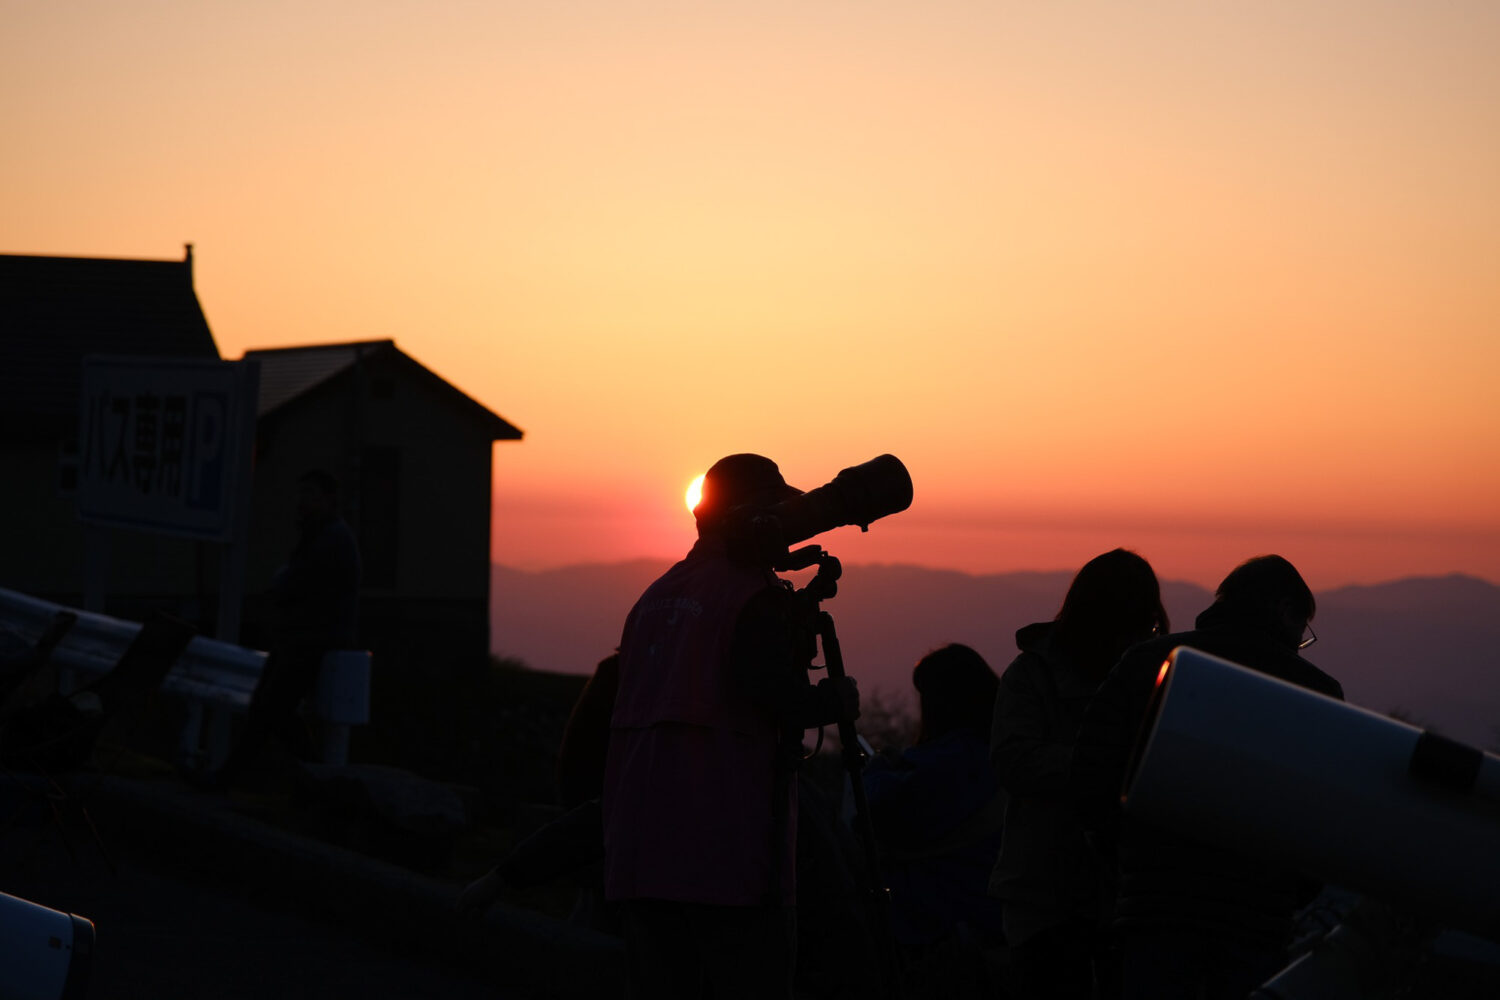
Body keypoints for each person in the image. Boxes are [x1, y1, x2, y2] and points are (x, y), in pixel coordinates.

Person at [602, 454, 855, 1000]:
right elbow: (773, 697)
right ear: (754, 517)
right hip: (729, 856)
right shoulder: (748, 594)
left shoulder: (655, 595)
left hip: (640, 852)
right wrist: (833, 700)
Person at [1071, 554, 1343, 1000]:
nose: (1300, 642)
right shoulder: (1318, 693)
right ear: (1284, 610)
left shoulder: (1146, 662)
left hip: (1153, 909)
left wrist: (1129, 859)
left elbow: (1091, 779)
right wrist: (1289, 892)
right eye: (1303, 629)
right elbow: (1326, 817)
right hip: (1257, 921)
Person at [989, 549, 1168, 1000]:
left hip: (1126, 897)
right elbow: (1014, 760)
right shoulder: (1033, 674)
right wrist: (1105, 761)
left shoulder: (1155, 677)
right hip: (1046, 896)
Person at [206, 469, 361, 787]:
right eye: (301, 494)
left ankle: (229, 779)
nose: (302, 502)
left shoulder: (329, 539)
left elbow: (291, 584)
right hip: (303, 640)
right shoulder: (324, 535)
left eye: (311, 495)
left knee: (269, 710)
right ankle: (319, 782)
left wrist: (281, 585)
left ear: (329, 500)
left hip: (311, 642)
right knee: (272, 712)